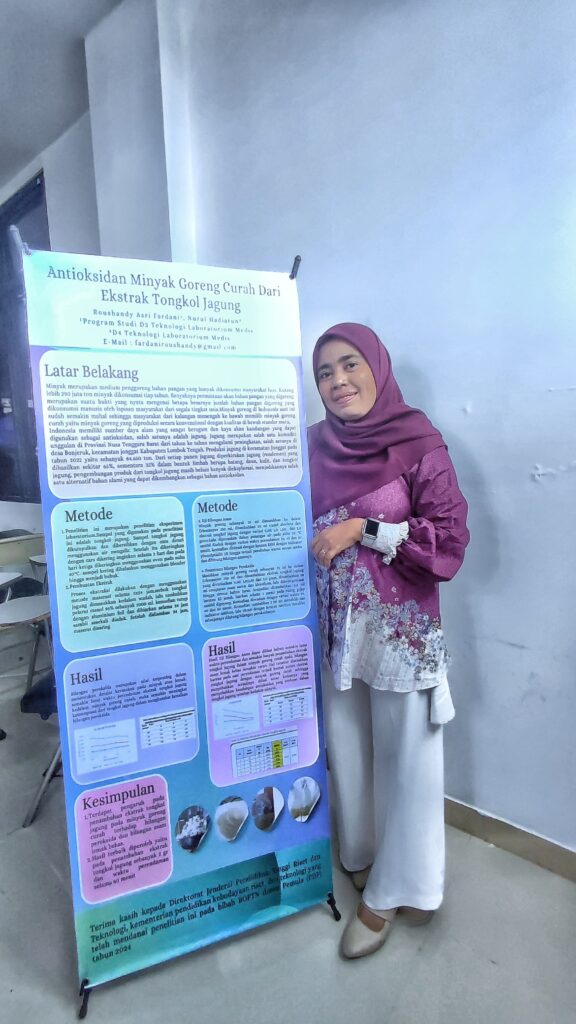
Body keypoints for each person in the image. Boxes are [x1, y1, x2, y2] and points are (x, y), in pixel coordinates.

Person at [308, 323, 469, 959]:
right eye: (325, 372)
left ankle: (393, 892)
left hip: (400, 634)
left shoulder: (418, 441)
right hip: (336, 633)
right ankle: (360, 854)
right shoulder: (311, 447)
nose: (338, 381)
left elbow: (449, 542)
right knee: (347, 748)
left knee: (408, 763)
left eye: (350, 364)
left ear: (378, 367)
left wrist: (362, 528)